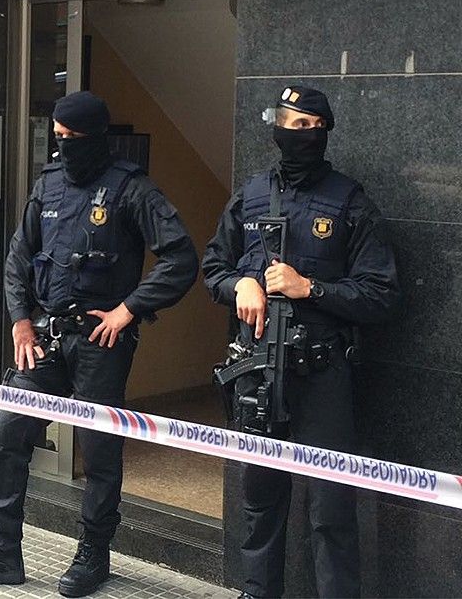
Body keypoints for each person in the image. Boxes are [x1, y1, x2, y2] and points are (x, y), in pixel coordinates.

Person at [0, 91, 198, 596]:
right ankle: (0, 552)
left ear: (96, 138)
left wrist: (130, 309)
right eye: (57, 137)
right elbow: (19, 259)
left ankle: (93, 555)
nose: (63, 147)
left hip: (101, 342)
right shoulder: (49, 185)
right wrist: (19, 321)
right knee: (6, 433)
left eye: (72, 139)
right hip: (45, 336)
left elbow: (181, 259)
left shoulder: (132, 189)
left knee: (100, 450)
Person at [202, 86, 399, 599]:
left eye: (311, 125)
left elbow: (381, 296)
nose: (300, 133)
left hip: (321, 372)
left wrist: (310, 288)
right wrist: (238, 284)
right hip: (259, 371)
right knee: (260, 495)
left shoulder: (349, 200)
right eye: (291, 123)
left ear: (324, 131)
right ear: (276, 127)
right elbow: (212, 267)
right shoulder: (250, 194)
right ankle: (256, 591)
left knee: (330, 505)